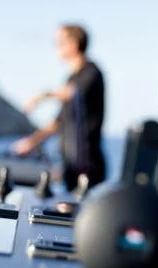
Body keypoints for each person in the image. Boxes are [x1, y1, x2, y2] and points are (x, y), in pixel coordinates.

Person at [12, 23, 106, 191]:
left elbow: (72, 93)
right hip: (71, 166)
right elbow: (58, 122)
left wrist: (42, 96)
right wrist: (31, 142)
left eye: (59, 42)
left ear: (74, 44)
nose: (56, 47)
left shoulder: (92, 73)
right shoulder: (71, 78)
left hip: (88, 167)